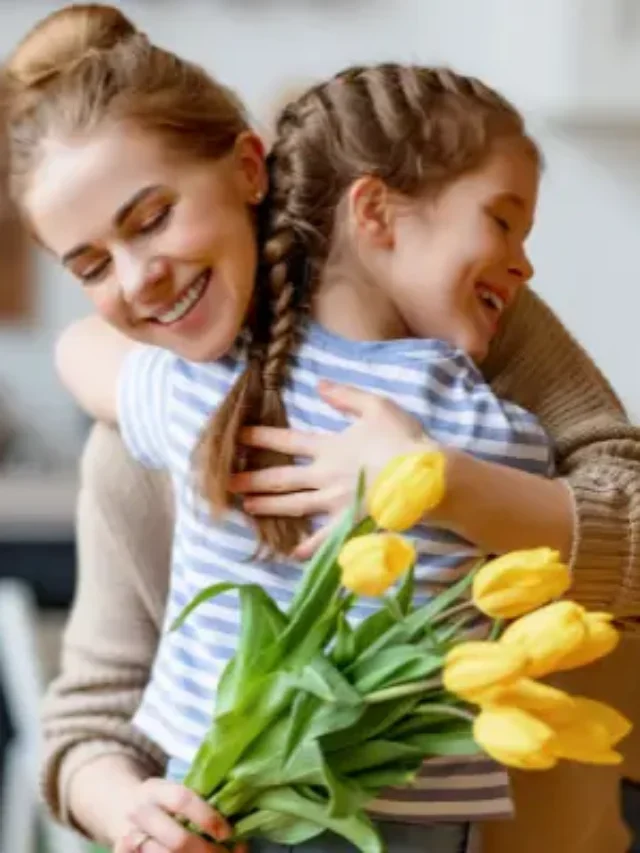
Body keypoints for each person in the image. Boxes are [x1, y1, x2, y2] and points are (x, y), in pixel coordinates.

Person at [6, 3, 637, 852]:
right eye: (88, 266)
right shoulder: (154, 407)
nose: (138, 280)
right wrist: (126, 806)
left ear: (248, 170)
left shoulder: (453, 323)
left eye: (152, 217)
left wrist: (440, 481)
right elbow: (90, 719)